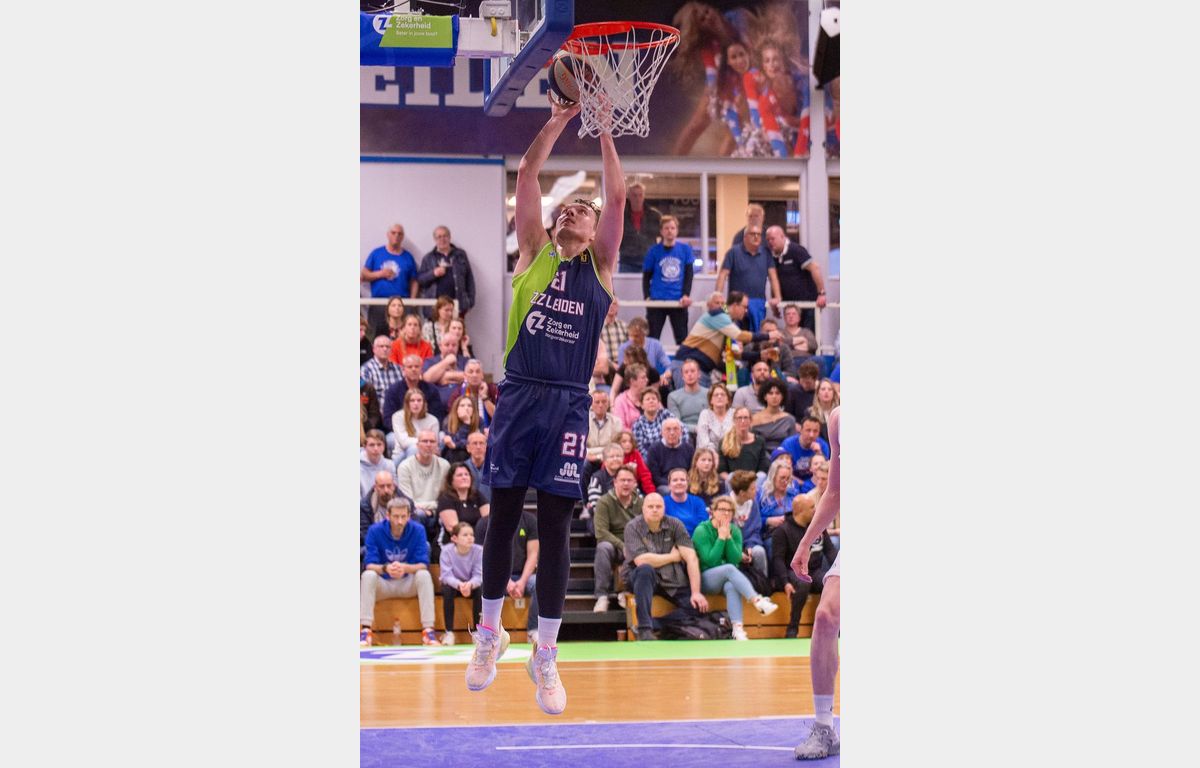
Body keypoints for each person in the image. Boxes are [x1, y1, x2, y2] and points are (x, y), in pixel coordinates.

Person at [467, 98, 624, 717]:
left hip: (567, 404)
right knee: (503, 515)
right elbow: (529, 174)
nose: (572, 211)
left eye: (583, 209)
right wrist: (558, 119)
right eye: (568, 207)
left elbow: (616, 198)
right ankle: (489, 634)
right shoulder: (533, 250)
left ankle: (546, 652)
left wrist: (604, 130)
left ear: (594, 230)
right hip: (520, 392)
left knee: (556, 525)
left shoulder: (601, 267)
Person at [792, 406, 840, 760]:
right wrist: (806, 542)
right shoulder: (840, 420)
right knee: (824, 617)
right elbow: (835, 493)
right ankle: (824, 727)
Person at [621, 492, 709, 642]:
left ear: (664, 508)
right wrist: (672, 557)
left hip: (671, 578)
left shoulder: (675, 524)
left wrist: (696, 592)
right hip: (640, 578)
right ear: (643, 509)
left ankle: (655, 624)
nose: (655, 510)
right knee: (645, 570)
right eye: (650, 506)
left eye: (658, 506)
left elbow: (691, 558)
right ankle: (645, 630)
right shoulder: (633, 527)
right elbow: (642, 560)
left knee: (696, 607)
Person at [692, 496, 779, 640]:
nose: (726, 513)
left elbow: (735, 559)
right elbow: (710, 561)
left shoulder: (735, 530)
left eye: (729, 510)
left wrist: (729, 538)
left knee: (731, 585)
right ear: (713, 512)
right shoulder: (702, 530)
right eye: (722, 509)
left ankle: (737, 629)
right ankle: (757, 600)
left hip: (727, 575)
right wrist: (721, 538)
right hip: (705, 578)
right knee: (729, 569)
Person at [360, 498, 440, 647]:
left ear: (409, 516)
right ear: (388, 516)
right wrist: (385, 568)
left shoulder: (418, 530)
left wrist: (405, 568)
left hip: (407, 583)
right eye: (396, 516)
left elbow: (423, 564)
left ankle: (428, 632)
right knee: (368, 575)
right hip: (384, 584)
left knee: (424, 575)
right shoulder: (375, 531)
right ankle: (365, 631)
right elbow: (369, 564)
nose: (400, 521)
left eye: (403, 516)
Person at [672, 291, 782, 389]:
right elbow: (740, 335)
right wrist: (768, 335)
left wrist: (760, 355)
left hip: (701, 371)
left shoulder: (725, 322)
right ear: (735, 305)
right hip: (688, 367)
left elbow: (733, 354)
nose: (746, 311)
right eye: (744, 307)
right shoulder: (719, 315)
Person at [772, 493, 837, 639]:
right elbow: (778, 560)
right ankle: (792, 629)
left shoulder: (819, 527)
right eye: (812, 507)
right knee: (803, 584)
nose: (815, 510)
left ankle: (833, 628)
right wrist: (785, 582)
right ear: (800, 511)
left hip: (814, 571)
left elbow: (830, 551)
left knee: (831, 583)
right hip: (793, 572)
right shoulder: (782, 531)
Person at [473, 511, 540, 648]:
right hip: (496, 574)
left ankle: (533, 630)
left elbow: (533, 554)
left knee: (538, 584)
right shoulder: (484, 523)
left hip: (522, 575)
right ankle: (487, 631)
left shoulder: (529, 520)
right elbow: (484, 555)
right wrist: (505, 580)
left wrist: (522, 581)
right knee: (484, 584)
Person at [592, 465, 643, 612]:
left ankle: (626, 591)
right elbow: (601, 532)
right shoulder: (604, 502)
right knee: (603, 547)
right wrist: (622, 546)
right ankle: (602, 596)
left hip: (634, 544)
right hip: (613, 544)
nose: (626, 484)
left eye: (629, 480)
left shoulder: (641, 503)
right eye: (622, 480)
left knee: (639, 550)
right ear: (615, 482)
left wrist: (630, 546)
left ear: (635, 483)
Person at [716, 223, 781, 333]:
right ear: (745, 236)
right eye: (753, 234)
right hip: (735, 305)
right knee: (731, 335)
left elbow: (773, 277)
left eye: (759, 234)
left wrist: (778, 298)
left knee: (756, 337)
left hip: (758, 305)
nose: (756, 237)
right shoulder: (733, 252)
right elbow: (723, 275)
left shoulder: (766, 253)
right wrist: (718, 296)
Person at [642, 215, 694, 345]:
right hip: (657, 301)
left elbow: (689, 275)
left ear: (677, 230)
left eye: (672, 228)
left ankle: (683, 360)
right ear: (661, 231)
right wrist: (647, 296)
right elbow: (646, 276)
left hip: (678, 301)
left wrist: (686, 295)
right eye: (666, 228)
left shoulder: (685, 250)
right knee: (652, 340)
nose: (670, 231)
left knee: (682, 340)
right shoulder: (653, 251)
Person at [766, 225, 826, 333]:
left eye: (773, 239)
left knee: (809, 336)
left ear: (782, 236)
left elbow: (815, 268)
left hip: (808, 305)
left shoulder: (796, 250)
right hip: (790, 306)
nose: (770, 242)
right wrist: (775, 303)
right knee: (792, 336)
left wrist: (821, 293)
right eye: (768, 240)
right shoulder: (772, 257)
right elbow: (774, 280)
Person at [362, 223, 418, 331]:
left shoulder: (408, 257)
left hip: (401, 304)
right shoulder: (376, 253)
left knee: (403, 334)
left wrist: (412, 301)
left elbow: (414, 281)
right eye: (393, 233)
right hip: (379, 303)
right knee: (376, 335)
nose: (396, 236)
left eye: (400, 234)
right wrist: (380, 274)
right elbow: (364, 274)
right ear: (388, 234)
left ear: (403, 237)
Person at [438, 521, 483, 647]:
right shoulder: (446, 551)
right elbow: (446, 575)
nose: (470, 538)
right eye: (465, 535)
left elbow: (479, 575)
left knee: (481, 590)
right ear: (454, 538)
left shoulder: (479, 551)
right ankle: (449, 632)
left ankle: (477, 632)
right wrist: (460, 585)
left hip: (471, 585)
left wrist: (470, 585)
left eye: (471, 535)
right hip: (454, 586)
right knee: (446, 589)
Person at [418, 225, 476, 317]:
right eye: (439, 237)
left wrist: (470, 301)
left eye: (445, 236)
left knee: (456, 327)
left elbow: (469, 279)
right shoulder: (428, 258)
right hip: (435, 308)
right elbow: (420, 280)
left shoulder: (460, 255)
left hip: (457, 306)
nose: (442, 239)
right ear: (435, 239)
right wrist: (433, 273)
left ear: (449, 237)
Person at [396, 429, 450, 526]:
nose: (428, 445)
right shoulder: (405, 466)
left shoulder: (444, 465)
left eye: (432, 441)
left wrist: (432, 510)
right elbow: (408, 502)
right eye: (425, 441)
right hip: (415, 512)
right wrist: (427, 508)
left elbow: (447, 497)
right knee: (419, 514)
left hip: (438, 510)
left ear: (437, 445)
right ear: (417, 445)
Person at [382, 354, 448, 430]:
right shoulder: (393, 390)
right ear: (403, 370)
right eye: (410, 367)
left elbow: (438, 415)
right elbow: (388, 419)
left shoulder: (431, 389)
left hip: (427, 430)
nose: (413, 369)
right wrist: (406, 430)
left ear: (421, 369)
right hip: (400, 430)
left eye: (417, 366)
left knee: (441, 435)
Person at [360, 470, 414, 556]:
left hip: (403, 543)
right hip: (378, 545)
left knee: (426, 546)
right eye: (382, 486)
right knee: (366, 550)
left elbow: (413, 529)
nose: (386, 490)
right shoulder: (365, 506)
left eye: (389, 486)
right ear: (375, 487)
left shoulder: (407, 504)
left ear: (394, 486)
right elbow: (366, 535)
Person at [436, 462, 490, 547]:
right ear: (451, 480)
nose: (464, 477)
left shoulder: (477, 495)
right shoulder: (445, 498)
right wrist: (472, 539)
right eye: (459, 475)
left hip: (478, 542)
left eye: (466, 474)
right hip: (452, 544)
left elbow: (488, 520)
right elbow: (454, 529)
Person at [729, 469, 767, 578]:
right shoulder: (726, 505)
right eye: (753, 489)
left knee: (759, 552)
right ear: (742, 493)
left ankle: (762, 583)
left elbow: (755, 530)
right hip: (730, 547)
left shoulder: (753, 503)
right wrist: (737, 552)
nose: (757, 490)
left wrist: (750, 546)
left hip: (748, 544)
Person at [617, 181, 662, 274]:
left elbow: (663, 235)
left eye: (640, 195)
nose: (637, 198)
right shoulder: (621, 215)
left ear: (644, 196)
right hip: (627, 262)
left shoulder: (654, 215)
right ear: (629, 196)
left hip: (649, 261)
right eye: (634, 195)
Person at [616, 317, 673, 389]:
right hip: (630, 383)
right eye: (630, 335)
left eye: (636, 336)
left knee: (665, 386)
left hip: (651, 381)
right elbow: (621, 372)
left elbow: (670, 367)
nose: (632, 339)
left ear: (644, 334)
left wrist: (663, 376)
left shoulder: (655, 345)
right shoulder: (623, 348)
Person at [718, 407, 771, 483]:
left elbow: (763, 468)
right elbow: (722, 470)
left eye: (746, 418)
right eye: (739, 418)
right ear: (734, 420)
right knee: (730, 476)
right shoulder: (724, 442)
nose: (743, 421)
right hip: (734, 482)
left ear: (750, 420)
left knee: (762, 476)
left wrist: (752, 482)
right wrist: (735, 481)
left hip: (754, 481)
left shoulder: (759, 441)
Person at [643, 418, 695, 493]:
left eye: (675, 429)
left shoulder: (689, 448)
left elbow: (692, 472)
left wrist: (683, 483)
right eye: (668, 429)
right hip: (665, 485)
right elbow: (655, 477)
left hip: (685, 483)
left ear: (681, 432)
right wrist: (674, 484)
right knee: (669, 491)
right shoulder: (654, 449)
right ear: (662, 433)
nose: (672, 433)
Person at [361, 335, 404, 427]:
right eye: (381, 346)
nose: (385, 349)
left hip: (398, 415)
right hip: (376, 418)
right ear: (374, 349)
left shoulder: (398, 369)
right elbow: (367, 396)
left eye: (387, 347)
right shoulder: (366, 369)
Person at [772, 415, 830, 481]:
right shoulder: (788, 444)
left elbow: (826, 471)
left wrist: (819, 452)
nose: (811, 435)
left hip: (816, 481)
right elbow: (781, 469)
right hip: (792, 481)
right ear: (801, 430)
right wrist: (799, 482)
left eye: (815, 431)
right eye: (808, 430)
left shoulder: (823, 445)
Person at [583, 390, 624, 485]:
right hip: (589, 458)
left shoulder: (617, 421)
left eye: (604, 402)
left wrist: (597, 455)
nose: (600, 405)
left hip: (609, 457)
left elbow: (615, 447)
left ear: (608, 404)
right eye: (597, 402)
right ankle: (583, 495)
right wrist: (592, 454)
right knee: (584, 465)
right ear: (591, 404)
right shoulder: (584, 420)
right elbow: (582, 446)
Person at [392, 388, 441, 465]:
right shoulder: (398, 416)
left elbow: (434, 445)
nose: (416, 403)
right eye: (412, 400)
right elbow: (403, 442)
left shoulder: (433, 420)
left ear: (424, 403)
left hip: (427, 454)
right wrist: (424, 442)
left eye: (419, 400)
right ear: (407, 403)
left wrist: (424, 444)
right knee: (414, 448)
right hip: (402, 454)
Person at [757, 457, 803, 538]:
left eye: (788, 478)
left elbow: (801, 515)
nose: (785, 482)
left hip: (792, 534)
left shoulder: (793, 493)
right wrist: (768, 521)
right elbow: (754, 521)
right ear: (773, 477)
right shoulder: (761, 495)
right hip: (770, 535)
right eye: (782, 478)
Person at [447, 359, 498, 432]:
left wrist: (485, 398)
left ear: (482, 375)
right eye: (471, 372)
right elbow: (453, 419)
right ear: (465, 375)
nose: (474, 375)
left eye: (478, 372)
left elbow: (499, 417)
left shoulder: (492, 389)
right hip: (465, 431)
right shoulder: (457, 393)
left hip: (490, 432)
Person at [422, 332, 467, 410]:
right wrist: (446, 362)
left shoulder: (465, 361)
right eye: (447, 345)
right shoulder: (430, 361)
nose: (450, 348)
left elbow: (471, 377)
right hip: (436, 408)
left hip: (462, 407)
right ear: (440, 346)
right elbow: (427, 379)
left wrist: (444, 377)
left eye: (454, 345)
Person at [750, 379, 796, 453]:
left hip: (784, 455)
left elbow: (792, 444)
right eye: (770, 393)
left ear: (782, 396)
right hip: (761, 455)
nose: (774, 396)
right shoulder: (755, 419)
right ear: (765, 397)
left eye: (777, 393)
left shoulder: (789, 419)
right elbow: (753, 445)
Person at [667, 358, 708, 440]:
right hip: (684, 433)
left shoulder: (709, 394)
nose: (689, 374)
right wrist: (695, 429)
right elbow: (676, 422)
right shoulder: (673, 397)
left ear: (699, 374)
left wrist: (702, 429)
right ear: (682, 376)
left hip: (706, 431)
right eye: (686, 372)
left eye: (692, 371)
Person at [585, 443, 627, 520]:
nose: (615, 459)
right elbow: (596, 506)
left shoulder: (628, 476)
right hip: (602, 519)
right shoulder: (597, 478)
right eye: (611, 456)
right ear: (604, 460)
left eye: (618, 456)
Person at [662, 467, 709, 537]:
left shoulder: (698, 502)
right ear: (669, 485)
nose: (679, 482)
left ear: (687, 484)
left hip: (694, 540)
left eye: (682, 480)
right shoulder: (662, 503)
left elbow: (703, 526)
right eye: (675, 480)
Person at [630, 388, 677, 456]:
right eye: (648, 399)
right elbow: (639, 449)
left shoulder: (666, 415)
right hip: (650, 459)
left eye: (654, 399)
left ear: (658, 403)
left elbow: (682, 431)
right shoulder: (638, 425)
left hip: (672, 454)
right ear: (642, 405)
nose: (651, 401)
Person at [695, 382, 734, 453]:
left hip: (732, 453)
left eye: (723, 394)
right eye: (716, 395)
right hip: (709, 455)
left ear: (728, 400)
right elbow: (703, 442)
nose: (719, 397)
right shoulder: (705, 414)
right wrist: (715, 456)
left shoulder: (734, 414)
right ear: (711, 400)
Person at [440, 394, 479, 463]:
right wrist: (466, 423)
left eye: (469, 406)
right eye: (462, 405)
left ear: (473, 409)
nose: (466, 408)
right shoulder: (448, 421)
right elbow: (453, 441)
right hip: (453, 454)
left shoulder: (479, 421)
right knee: (458, 453)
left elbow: (476, 443)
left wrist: (455, 445)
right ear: (456, 409)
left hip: (473, 454)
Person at [611, 363, 649, 430]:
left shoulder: (651, 396)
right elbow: (620, 427)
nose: (647, 380)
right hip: (630, 435)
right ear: (633, 381)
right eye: (643, 378)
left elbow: (662, 416)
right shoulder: (620, 401)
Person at [617, 430, 656, 496]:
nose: (628, 444)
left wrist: (651, 494)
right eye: (624, 441)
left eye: (630, 441)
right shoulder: (614, 455)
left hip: (634, 488)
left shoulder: (636, 454)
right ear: (618, 443)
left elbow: (645, 475)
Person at [599, 298, 629, 381]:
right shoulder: (598, 326)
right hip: (606, 365)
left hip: (623, 365)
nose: (611, 306)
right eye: (609, 303)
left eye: (614, 304)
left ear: (618, 307)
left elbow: (629, 348)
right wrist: (612, 364)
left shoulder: (624, 326)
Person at [360, 430, 395, 498]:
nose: (376, 449)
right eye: (372, 445)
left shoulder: (389, 465)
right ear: (365, 447)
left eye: (379, 444)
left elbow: (395, 492)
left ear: (384, 446)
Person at [806, 378, 840, 442]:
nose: (826, 392)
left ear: (834, 394)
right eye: (823, 389)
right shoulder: (810, 412)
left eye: (830, 389)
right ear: (817, 393)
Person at [462, 430, 492, 503]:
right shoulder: (462, 468)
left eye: (481, 443)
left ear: (486, 447)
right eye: (475, 443)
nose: (478, 447)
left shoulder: (494, 468)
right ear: (468, 448)